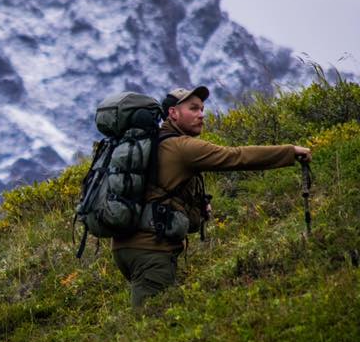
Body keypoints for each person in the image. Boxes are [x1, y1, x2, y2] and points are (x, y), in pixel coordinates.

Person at [111, 85, 312, 308]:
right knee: (149, 324)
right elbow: (236, 157)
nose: (201, 115)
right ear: (173, 113)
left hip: (126, 246)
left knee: (156, 318)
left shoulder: (153, 143)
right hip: (151, 250)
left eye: (202, 109)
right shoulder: (182, 147)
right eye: (193, 108)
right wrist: (289, 152)